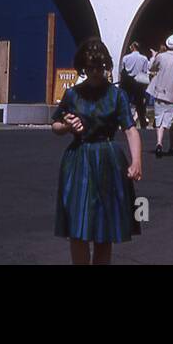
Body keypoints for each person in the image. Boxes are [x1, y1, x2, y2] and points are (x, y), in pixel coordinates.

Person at [52, 38, 143, 265]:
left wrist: (136, 161)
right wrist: (67, 126)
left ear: (106, 67)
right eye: (90, 68)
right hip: (79, 160)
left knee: (105, 228)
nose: (95, 73)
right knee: (78, 227)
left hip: (108, 159)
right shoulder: (73, 94)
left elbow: (130, 130)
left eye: (100, 67)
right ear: (83, 67)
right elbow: (55, 126)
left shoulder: (116, 95)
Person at [119, 42, 151, 129]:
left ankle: (126, 122)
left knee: (126, 102)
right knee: (140, 104)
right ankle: (142, 122)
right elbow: (145, 71)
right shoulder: (144, 58)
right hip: (139, 82)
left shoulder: (126, 58)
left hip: (128, 82)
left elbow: (122, 70)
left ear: (132, 48)